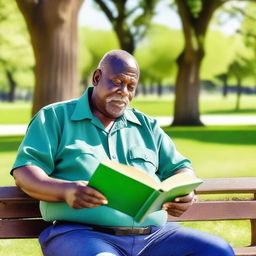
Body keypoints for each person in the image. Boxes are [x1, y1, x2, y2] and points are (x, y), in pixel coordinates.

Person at [11, 49, 234, 256]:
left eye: (131, 86)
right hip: (81, 235)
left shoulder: (146, 126)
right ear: (97, 78)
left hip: (155, 237)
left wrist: (186, 194)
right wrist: (65, 190)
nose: (124, 92)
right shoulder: (54, 117)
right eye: (117, 82)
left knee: (218, 250)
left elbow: (181, 168)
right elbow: (25, 171)